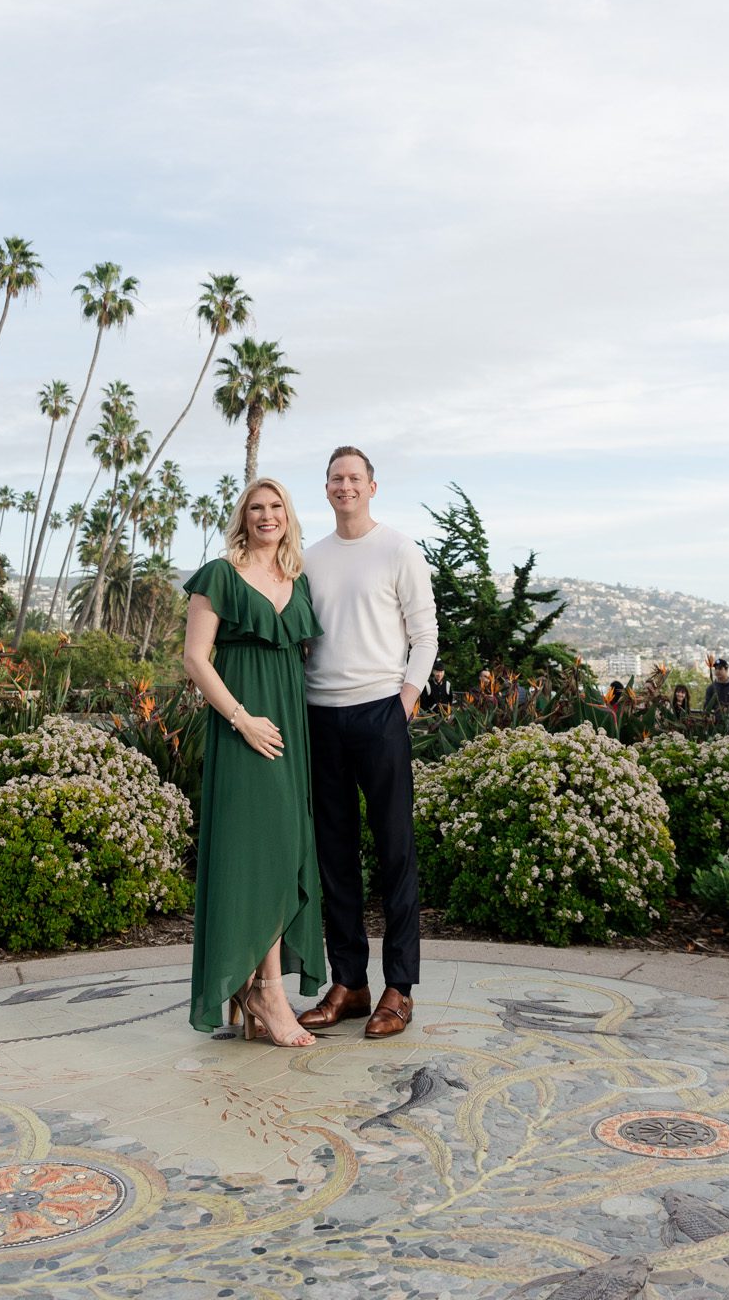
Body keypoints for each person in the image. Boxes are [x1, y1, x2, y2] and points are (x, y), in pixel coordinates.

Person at [299, 446, 438, 1042]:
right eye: (336, 478)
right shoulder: (309, 560)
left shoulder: (398, 549)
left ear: (372, 487)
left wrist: (403, 702)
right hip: (321, 718)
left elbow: (425, 635)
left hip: (381, 713)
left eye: (355, 477)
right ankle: (350, 984)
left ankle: (398, 989)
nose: (345, 486)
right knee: (335, 857)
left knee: (395, 854)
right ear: (326, 488)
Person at [182, 477, 325, 1046]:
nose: (267, 516)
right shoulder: (219, 576)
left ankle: (253, 984)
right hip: (244, 729)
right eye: (256, 508)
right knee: (256, 851)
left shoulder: (299, 580)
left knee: (286, 848)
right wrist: (242, 719)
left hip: (290, 730)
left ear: (288, 517)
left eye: (276, 507)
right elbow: (195, 659)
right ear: (243, 518)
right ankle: (267, 990)